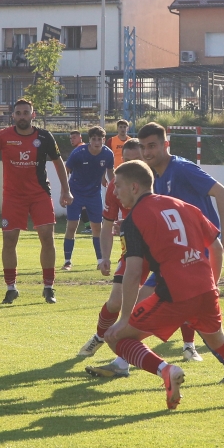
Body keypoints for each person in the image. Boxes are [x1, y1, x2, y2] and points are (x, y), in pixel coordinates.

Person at [102, 160, 224, 408]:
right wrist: (213, 284)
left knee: (116, 337)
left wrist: (123, 319)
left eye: (118, 186)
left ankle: (166, 370)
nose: (114, 192)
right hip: (205, 288)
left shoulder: (134, 219)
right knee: (220, 341)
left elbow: (132, 273)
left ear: (134, 187)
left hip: (173, 293)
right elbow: (215, 246)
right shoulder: (184, 206)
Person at [89, 122, 224, 381]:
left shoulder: (181, 168)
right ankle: (124, 361)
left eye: (152, 146)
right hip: (174, 257)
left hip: (194, 255)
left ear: (165, 145)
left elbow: (222, 194)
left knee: (188, 313)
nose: (147, 152)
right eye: (144, 147)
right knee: (156, 307)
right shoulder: (154, 177)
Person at [0, 98, 73, 305]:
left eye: (26, 113)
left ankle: (49, 287)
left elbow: (58, 162)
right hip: (13, 197)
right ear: (13, 116)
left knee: (47, 237)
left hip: (39, 194)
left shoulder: (44, 137)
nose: (22, 116)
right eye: (18, 113)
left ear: (33, 115)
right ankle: (11, 288)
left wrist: (66, 190)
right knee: (9, 240)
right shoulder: (3, 136)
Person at [77, 138, 142, 360]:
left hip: (160, 252)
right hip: (132, 251)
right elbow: (107, 225)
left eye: (136, 160)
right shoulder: (116, 186)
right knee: (115, 302)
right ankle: (99, 336)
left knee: (171, 300)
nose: (131, 165)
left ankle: (189, 345)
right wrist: (104, 257)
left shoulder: (156, 181)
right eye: (126, 160)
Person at [62, 126, 114, 270]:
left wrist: (115, 187)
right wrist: (64, 192)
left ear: (104, 140)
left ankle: (100, 261)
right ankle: (67, 261)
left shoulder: (108, 154)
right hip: (75, 193)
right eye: (94, 139)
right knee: (72, 226)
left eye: (100, 139)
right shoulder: (79, 152)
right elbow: (65, 171)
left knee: (97, 227)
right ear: (89, 140)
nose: (97, 142)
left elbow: (110, 172)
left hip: (94, 194)